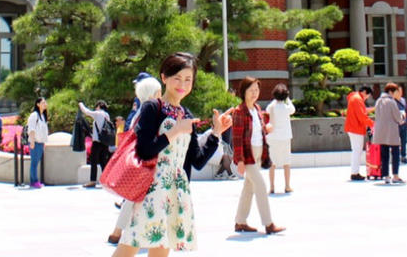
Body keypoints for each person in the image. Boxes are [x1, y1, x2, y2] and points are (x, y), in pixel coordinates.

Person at [113, 52, 231, 256]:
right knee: (129, 247)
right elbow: (144, 150)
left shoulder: (187, 115)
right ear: (164, 77)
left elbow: (197, 160)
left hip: (175, 191)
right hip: (150, 190)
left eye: (188, 79)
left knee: (161, 249)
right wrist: (175, 131)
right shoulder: (152, 108)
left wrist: (216, 133)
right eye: (177, 78)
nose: (182, 84)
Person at [108, 76, 162, 245]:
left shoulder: (137, 112)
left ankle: (118, 231)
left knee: (133, 197)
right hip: (146, 159)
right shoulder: (150, 111)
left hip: (137, 159)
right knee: (137, 197)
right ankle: (122, 232)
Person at [232, 76, 285, 235]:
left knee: (249, 188)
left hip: (259, 151)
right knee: (260, 186)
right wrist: (239, 160)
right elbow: (237, 138)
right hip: (247, 155)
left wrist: (266, 129)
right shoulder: (239, 112)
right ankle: (268, 224)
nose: (255, 93)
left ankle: (240, 221)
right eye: (251, 90)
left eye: (257, 90)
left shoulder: (256, 109)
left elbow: (257, 131)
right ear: (244, 91)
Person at [372, 82, 405, 184]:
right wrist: (402, 117)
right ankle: (395, 175)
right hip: (392, 131)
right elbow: (397, 117)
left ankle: (386, 176)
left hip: (381, 132)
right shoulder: (391, 102)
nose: (396, 94)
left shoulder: (378, 101)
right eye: (395, 91)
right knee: (395, 154)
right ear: (391, 91)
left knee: (384, 155)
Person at [266, 83, 295, 194]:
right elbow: (293, 109)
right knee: (286, 163)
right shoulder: (287, 108)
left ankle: (272, 187)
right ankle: (287, 186)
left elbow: (268, 109)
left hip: (272, 138)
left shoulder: (272, 106)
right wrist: (287, 99)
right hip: (285, 137)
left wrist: (275, 99)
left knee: (272, 164)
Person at [79, 99, 112, 188]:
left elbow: (86, 112)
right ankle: (106, 181)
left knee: (94, 161)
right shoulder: (107, 115)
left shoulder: (98, 113)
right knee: (103, 161)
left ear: (98, 106)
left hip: (97, 141)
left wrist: (81, 104)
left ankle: (92, 180)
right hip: (105, 142)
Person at [344, 85, 374, 181]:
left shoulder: (354, 98)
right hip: (355, 128)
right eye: (367, 96)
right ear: (365, 92)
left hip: (353, 127)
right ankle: (354, 173)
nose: (366, 98)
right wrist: (372, 124)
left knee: (356, 151)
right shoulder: (357, 99)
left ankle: (354, 172)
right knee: (357, 151)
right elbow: (362, 116)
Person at [27, 97, 49, 188]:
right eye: (43, 103)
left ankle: (35, 181)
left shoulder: (43, 116)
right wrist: (32, 142)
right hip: (35, 142)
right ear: (38, 104)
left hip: (40, 142)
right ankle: (34, 181)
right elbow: (31, 129)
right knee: (34, 162)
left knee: (36, 162)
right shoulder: (34, 115)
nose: (45, 104)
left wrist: (43, 142)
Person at [396, 85, 407, 164]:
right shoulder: (393, 101)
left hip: (404, 124)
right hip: (396, 124)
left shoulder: (403, 100)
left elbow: (406, 111)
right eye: (399, 91)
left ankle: (403, 156)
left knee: (404, 140)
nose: (400, 93)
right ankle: (396, 156)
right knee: (396, 142)